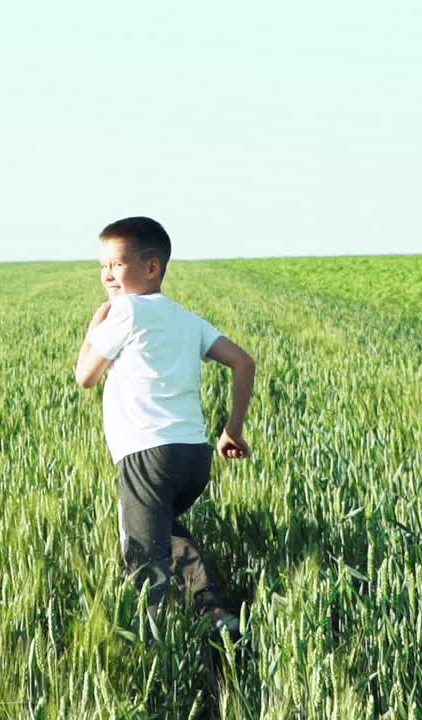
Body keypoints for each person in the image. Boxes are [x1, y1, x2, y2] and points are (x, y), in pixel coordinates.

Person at [74, 216, 255, 641]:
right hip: (194, 456)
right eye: (102, 267)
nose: (107, 275)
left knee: (144, 561)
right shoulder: (186, 318)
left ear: (151, 267)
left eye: (116, 265)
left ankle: (150, 648)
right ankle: (211, 611)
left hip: (147, 454)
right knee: (167, 531)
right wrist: (232, 429)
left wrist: (93, 328)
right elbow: (243, 362)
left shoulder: (127, 310)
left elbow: (85, 376)